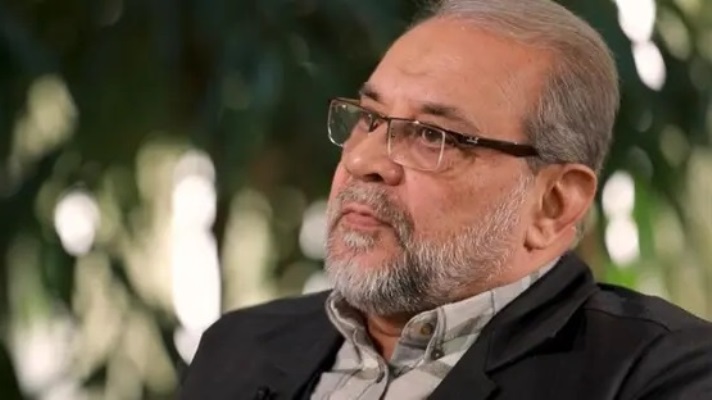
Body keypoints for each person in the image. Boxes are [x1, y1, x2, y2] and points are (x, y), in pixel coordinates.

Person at [179, 0, 712, 399]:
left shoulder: (662, 376)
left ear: (553, 204)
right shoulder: (240, 347)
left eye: (432, 135)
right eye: (370, 118)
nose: (362, 160)